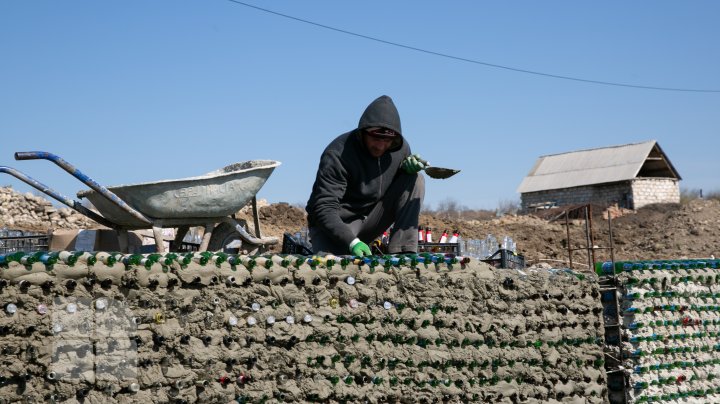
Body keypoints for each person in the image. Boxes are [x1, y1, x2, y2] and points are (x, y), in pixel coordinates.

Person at [305, 95, 425, 257]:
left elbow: (400, 192)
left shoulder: (400, 150)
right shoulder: (338, 153)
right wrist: (352, 241)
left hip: (371, 219)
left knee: (415, 179)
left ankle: (403, 251)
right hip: (337, 224)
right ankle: (345, 245)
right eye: (376, 138)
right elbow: (324, 208)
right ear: (363, 133)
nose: (381, 145)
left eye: (387, 140)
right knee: (334, 268)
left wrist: (406, 171)